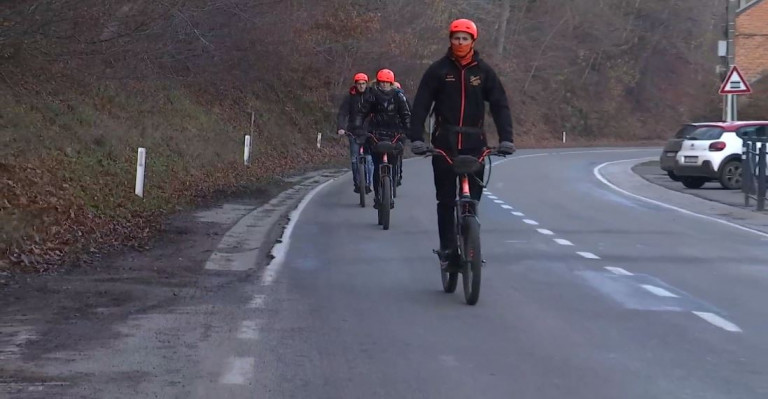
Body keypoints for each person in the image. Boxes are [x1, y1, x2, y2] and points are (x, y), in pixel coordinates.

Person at [407, 18, 517, 268]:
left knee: (473, 201)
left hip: (475, 143)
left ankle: (470, 243)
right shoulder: (438, 70)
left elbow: (500, 106)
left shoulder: (484, 72)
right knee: (445, 201)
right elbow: (421, 105)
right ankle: (447, 249)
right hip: (444, 144)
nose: (460, 42)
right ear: (450, 40)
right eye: (456, 38)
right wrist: (416, 138)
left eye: (464, 38)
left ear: (473, 41)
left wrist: (506, 139)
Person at [351, 68, 411, 209]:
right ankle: (378, 195)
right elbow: (361, 113)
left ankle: (392, 184)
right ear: (378, 82)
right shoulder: (372, 95)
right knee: (378, 167)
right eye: (382, 82)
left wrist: (409, 129)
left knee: (393, 162)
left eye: (387, 82)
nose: (384, 85)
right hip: (376, 133)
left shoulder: (398, 96)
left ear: (391, 83)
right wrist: (358, 127)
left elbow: (406, 114)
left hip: (394, 134)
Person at [337, 72, 373, 194]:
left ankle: (368, 183)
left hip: (369, 132)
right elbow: (342, 113)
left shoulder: (372, 96)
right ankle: (357, 183)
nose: (361, 86)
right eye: (359, 84)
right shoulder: (350, 98)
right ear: (355, 84)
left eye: (363, 84)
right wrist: (341, 127)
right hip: (353, 131)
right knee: (354, 159)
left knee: (369, 159)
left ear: (366, 84)